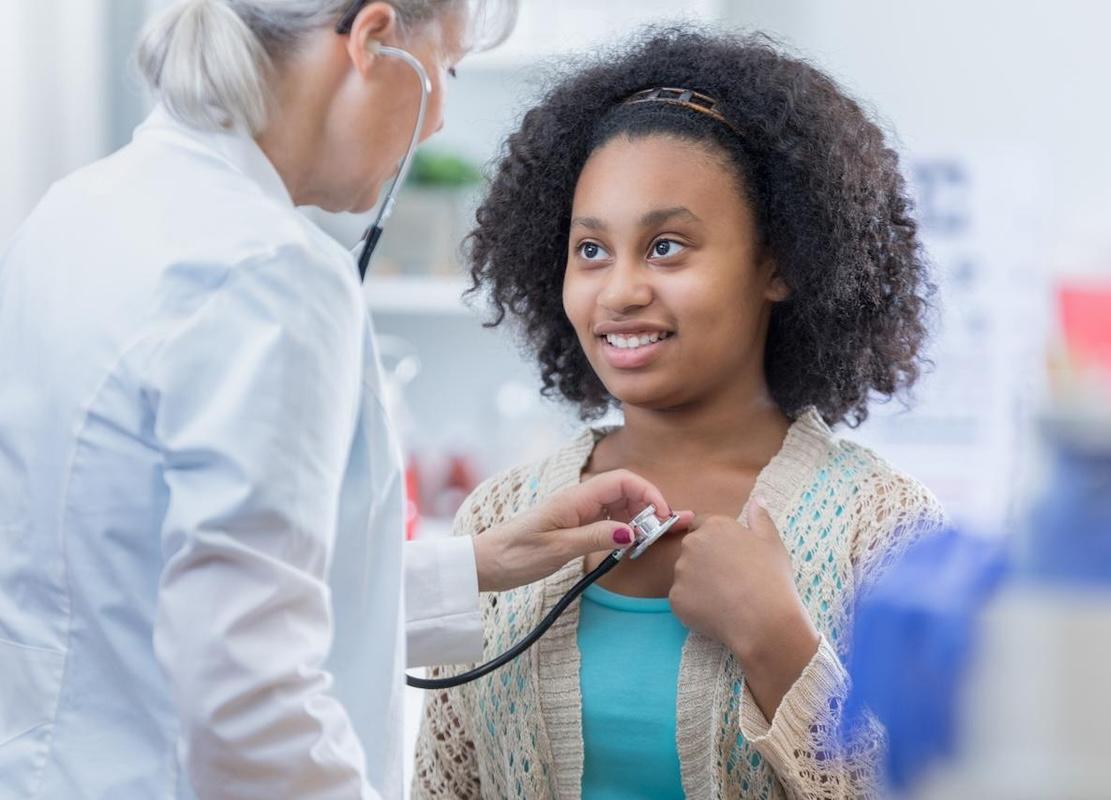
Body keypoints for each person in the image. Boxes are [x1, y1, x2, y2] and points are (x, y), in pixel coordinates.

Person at [0, 1, 687, 797]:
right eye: (448, 69)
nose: (434, 124)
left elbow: (156, 584)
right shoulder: (266, 272)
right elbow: (249, 693)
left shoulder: (77, 211)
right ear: (374, 42)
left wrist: (480, 566)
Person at [412, 27, 945, 799]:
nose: (620, 290)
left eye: (666, 247)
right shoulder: (499, 517)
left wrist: (777, 643)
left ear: (779, 263)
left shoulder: (888, 531)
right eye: (591, 250)